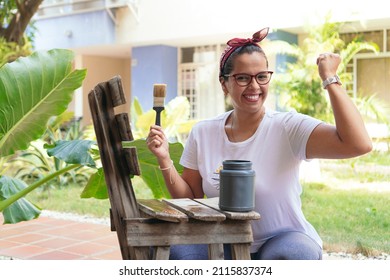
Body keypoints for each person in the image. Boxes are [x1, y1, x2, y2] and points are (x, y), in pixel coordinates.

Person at [146, 27, 372, 260]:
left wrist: (329, 79)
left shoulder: (288, 127)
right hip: (222, 238)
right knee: (172, 252)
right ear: (224, 84)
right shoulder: (203, 132)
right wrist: (164, 158)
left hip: (283, 237)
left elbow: (358, 144)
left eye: (262, 76)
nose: (254, 86)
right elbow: (190, 196)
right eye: (243, 78)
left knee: (289, 257)